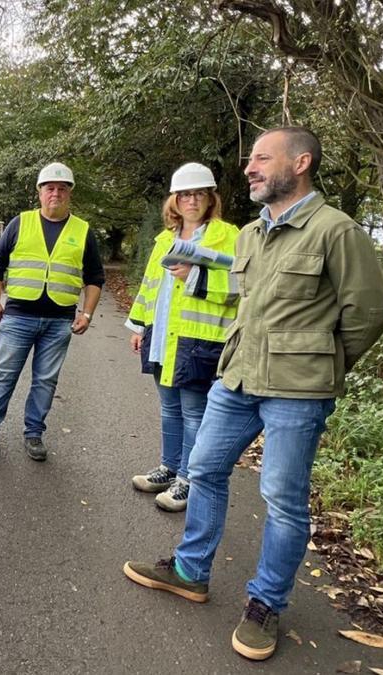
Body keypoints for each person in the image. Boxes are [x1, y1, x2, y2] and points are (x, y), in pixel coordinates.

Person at [123, 127, 383, 661]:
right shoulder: (249, 235)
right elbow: (244, 303)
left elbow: (366, 317)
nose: (250, 169)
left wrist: (321, 367)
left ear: (302, 162)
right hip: (237, 378)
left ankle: (265, 604)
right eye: (250, 161)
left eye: (263, 159)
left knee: (284, 502)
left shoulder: (337, 232)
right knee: (203, 468)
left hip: (298, 391)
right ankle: (190, 572)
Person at [0, 162, 104, 461]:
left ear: (69, 194)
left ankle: (34, 434)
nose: (56, 193)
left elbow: (95, 277)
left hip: (60, 320)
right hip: (18, 316)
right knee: (4, 375)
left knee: (45, 380)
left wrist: (88, 314)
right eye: (50, 188)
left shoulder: (83, 231)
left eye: (62, 189)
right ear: (40, 192)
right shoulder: (21, 222)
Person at [126, 163, 240, 512]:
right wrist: (140, 326)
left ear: (210, 198)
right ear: (174, 201)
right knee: (169, 409)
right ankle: (169, 468)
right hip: (162, 338)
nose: (192, 200)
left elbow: (242, 287)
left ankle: (188, 481)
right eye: (185, 194)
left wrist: (195, 276)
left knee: (194, 413)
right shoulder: (165, 239)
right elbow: (151, 287)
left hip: (200, 340)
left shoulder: (230, 237)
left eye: (199, 193)